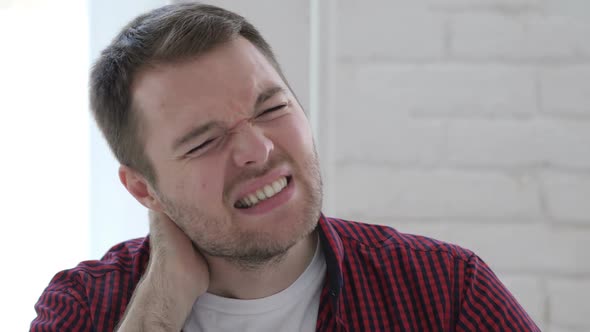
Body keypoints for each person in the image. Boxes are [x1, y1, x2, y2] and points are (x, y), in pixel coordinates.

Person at [31, 3, 540, 331]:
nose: (258, 149)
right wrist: (160, 308)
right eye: (205, 139)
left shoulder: (445, 291)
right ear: (144, 189)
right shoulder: (84, 308)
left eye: (272, 109)